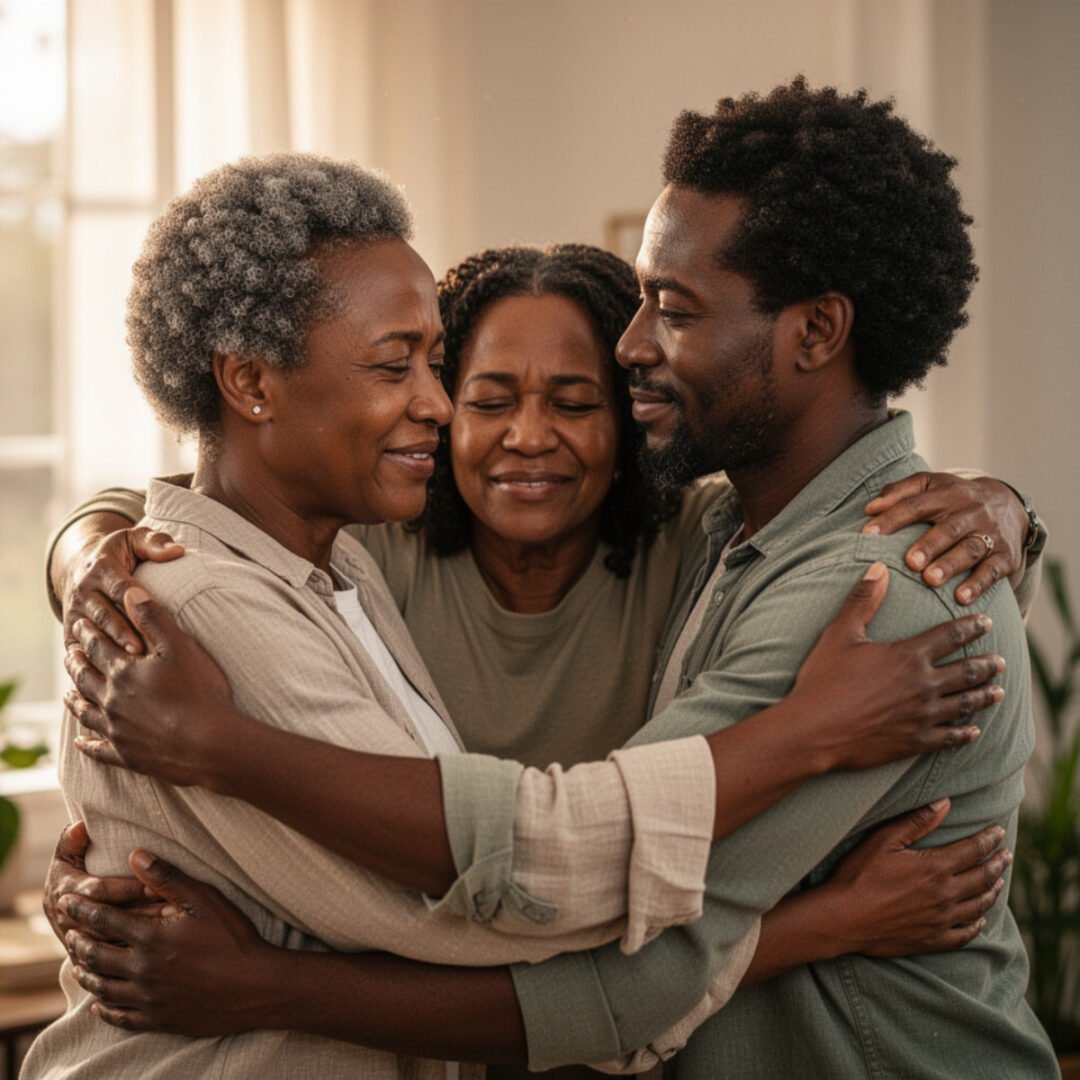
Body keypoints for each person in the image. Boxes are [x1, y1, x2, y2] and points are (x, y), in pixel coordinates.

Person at [55, 81, 1058, 1077]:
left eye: (671, 312)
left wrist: (1008, 510)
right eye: (464, 389)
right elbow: (224, 505)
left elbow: (602, 944)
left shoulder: (813, 576)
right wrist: (93, 547)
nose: (632, 346)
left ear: (817, 333)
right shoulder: (365, 555)